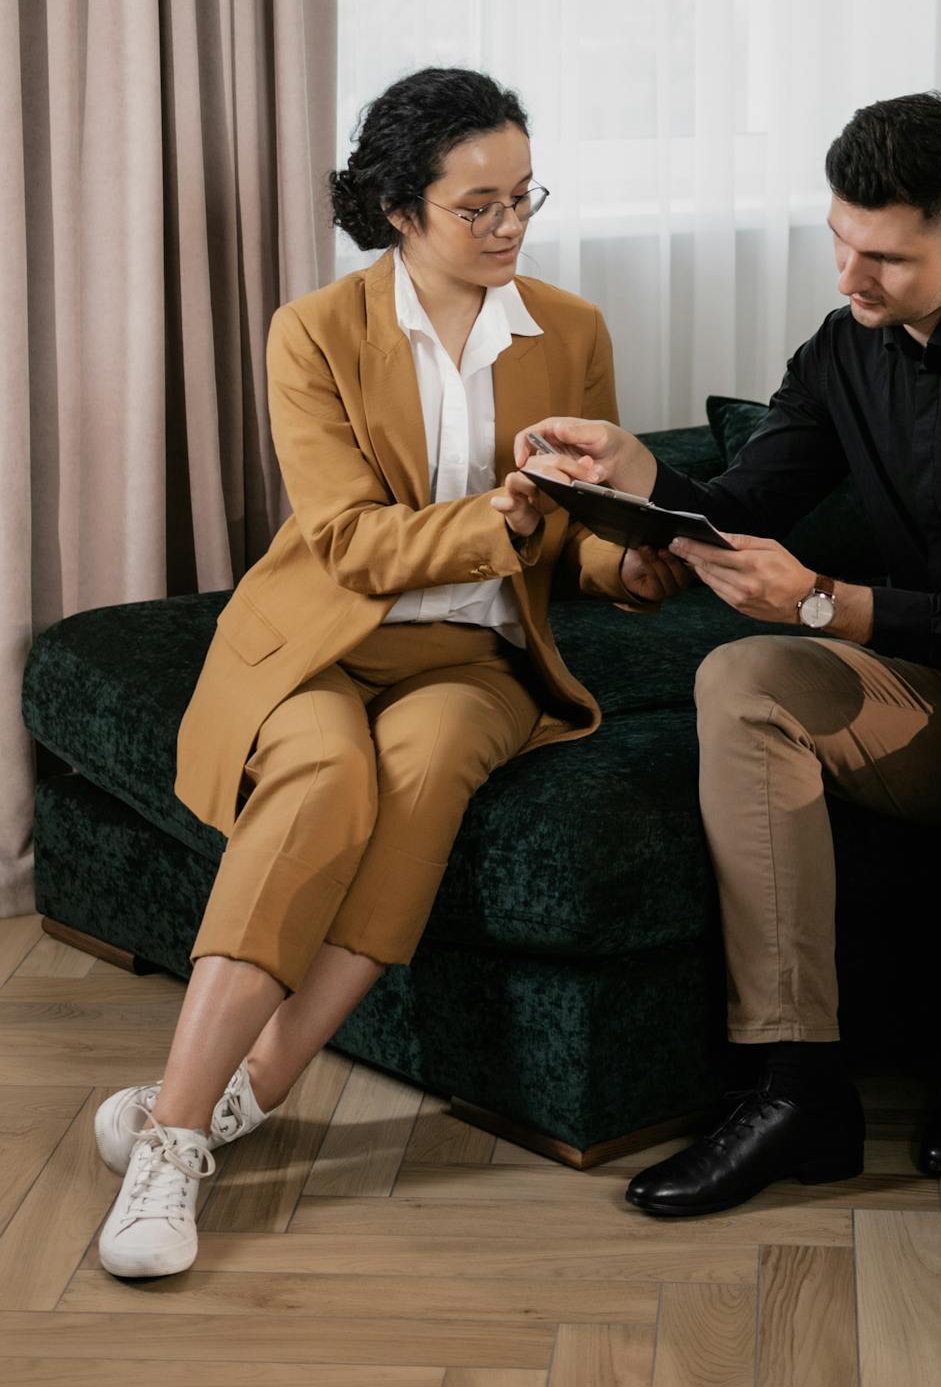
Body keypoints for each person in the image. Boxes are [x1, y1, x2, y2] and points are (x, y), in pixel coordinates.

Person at [516, 91, 941, 1217]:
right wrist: (633, 476)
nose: (851, 278)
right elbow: (740, 504)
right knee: (739, 677)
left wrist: (827, 601)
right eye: (841, 240)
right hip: (934, 693)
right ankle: (798, 1088)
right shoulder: (846, 349)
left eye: (884, 256)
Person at [95, 67, 687, 1278]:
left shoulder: (570, 329)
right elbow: (346, 538)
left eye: (526, 195)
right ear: (400, 207)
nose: (512, 225)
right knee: (320, 777)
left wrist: (631, 562)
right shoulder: (314, 330)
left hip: (478, 656)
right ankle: (171, 1139)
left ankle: (241, 1089)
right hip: (321, 637)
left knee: (420, 772)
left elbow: (580, 532)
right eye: (480, 205)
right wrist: (505, 524)